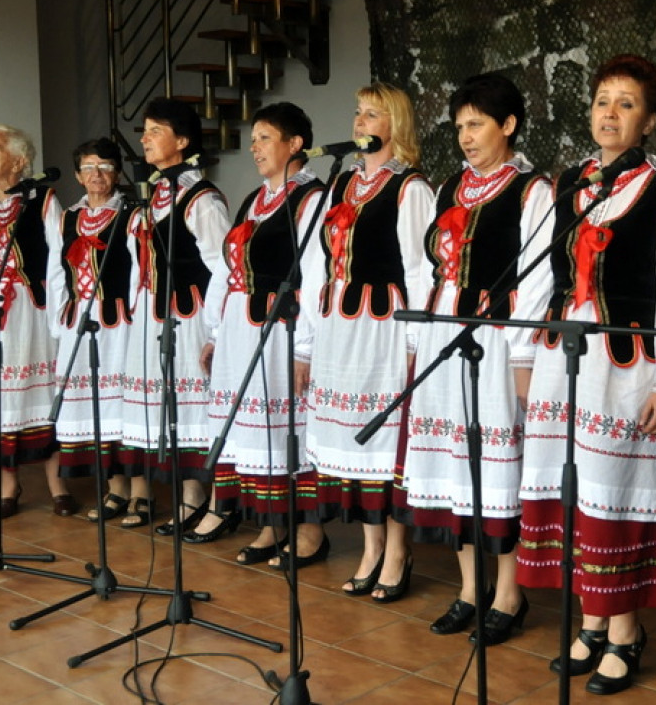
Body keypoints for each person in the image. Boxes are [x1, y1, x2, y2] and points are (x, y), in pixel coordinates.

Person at [516, 54, 656, 696]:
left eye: (626, 103)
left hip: (627, 368)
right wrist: (524, 356)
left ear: (649, 121)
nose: (609, 112)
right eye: (603, 100)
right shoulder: (569, 183)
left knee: (613, 491)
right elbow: (542, 272)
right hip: (562, 360)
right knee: (574, 492)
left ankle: (624, 630)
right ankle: (594, 618)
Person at [401, 73, 550, 639]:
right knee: (456, 464)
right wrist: (418, 337)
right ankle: (470, 586)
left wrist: (520, 356)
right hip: (445, 332)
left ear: (508, 126)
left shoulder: (531, 190)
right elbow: (425, 269)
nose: (465, 136)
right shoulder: (446, 189)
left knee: (496, 466)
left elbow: (536, 277)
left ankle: (509, 594)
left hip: (496, 336)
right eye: (459, 125)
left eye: (477, 124)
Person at [298, 83, 433, 587]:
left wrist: (417, 345)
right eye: (358, 113)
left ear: (395, 125)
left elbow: (420, 270)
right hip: (340, 328)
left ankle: (397, 551)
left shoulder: (410, 187)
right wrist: (309, 338)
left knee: (384, 440)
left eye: (372, 114)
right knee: (351, 443)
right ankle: (372, 546)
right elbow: (317, 262)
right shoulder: (341, 184)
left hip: (384, 329)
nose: (359, 123)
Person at [188, 101, 326, 567]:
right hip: (241, 329)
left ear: (295, 144)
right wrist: (213, 330)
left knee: (288, 428)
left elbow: (314, 275)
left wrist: (305, 346)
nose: (254, 148)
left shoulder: (311, 198)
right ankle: (270, 525)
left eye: (265, 138)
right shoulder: (253, 200)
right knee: (256, 434)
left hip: (282, 329)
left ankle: (309, 531)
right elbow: (228, 270)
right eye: (253, 140)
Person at [118, 98, 229, 531]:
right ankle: (189, 496)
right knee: (174, 404)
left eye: (154, 131)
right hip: (156, 315)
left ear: (182, 141)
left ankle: (217, 500)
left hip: (192, 313)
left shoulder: (201, 198)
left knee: (199, 404)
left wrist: (217, 327)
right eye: (144, 130)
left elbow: (223, 266)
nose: (144, 138)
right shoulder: (153, 197)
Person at [50, 138, 134, 522]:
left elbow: (140, 272)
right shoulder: (67, 217)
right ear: (77, 175)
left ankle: (140, 491)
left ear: (117, 171)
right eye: (87, 167)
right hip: (78, 323)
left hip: (119, 321)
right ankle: (115, 488)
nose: (95, 174)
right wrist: (59, 323)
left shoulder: (131, 213)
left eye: (104, 166)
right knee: (96, 408)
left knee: (122, 405)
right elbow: (56, 274)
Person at [0, 124, 76, 518]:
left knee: (44, 393)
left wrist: (60, 310)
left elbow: (61, 258)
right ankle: (9, 485)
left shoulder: (41, 198)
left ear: (19, 160)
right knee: (1, 397)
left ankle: (56, 483)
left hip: (32, 308)